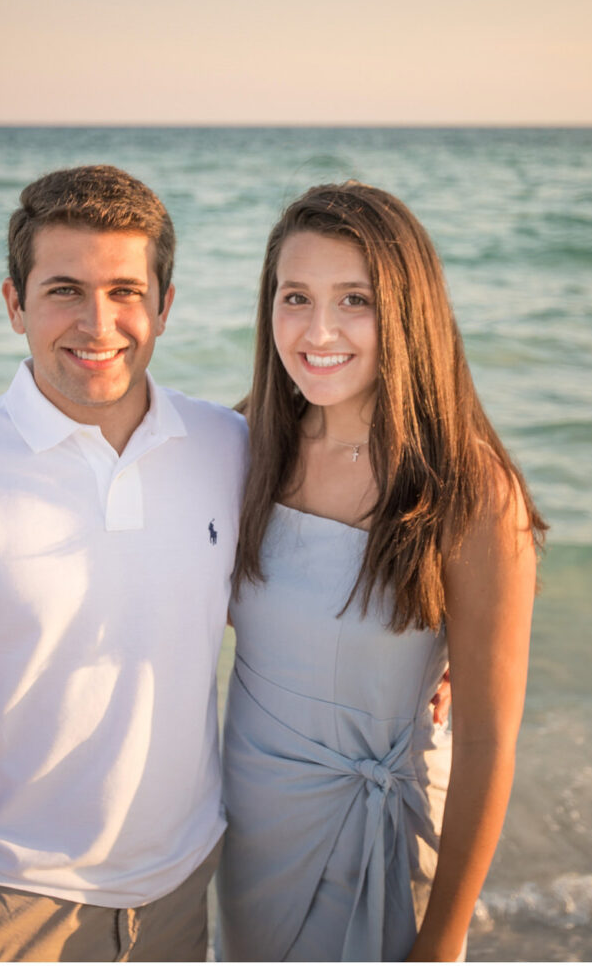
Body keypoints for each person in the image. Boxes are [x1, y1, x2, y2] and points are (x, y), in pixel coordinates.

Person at [0, 165, 248, 965]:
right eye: (63, 289)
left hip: (178, 894)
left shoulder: (229, 448)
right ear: (13, 304)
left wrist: (437, 643)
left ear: (165, 306)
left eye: (125, 291)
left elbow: (338, 549)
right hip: (2, 909)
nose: (97, 323)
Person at [219, 182, 541, 963]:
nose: (317, 329)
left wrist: (440, 945)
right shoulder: (241, 446)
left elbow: (490, 745)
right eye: (295, 296)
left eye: (353, 299)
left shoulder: (467, 488)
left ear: (407, 310)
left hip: (382, 842)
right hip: (250, 829)